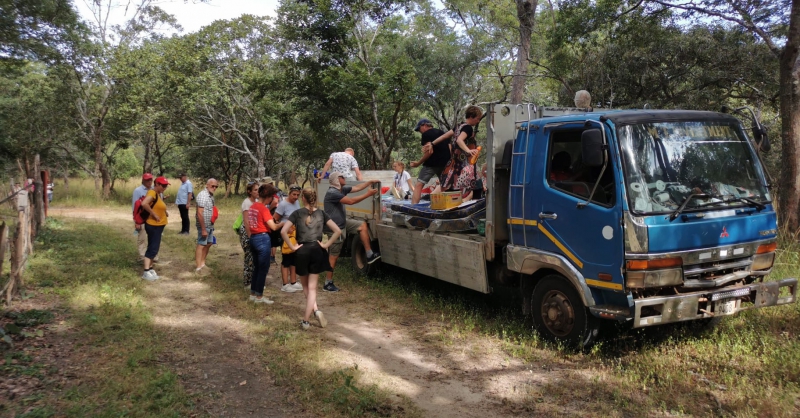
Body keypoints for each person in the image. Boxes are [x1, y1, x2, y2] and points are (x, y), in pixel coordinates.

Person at [282, 187, 342, 329]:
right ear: (315, 199)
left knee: (305, 286)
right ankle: (313, 312)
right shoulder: (322, 214)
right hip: (317, 250)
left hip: (302, 251)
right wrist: (326, 244)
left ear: (303, 198)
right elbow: (337, 231)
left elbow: (284, 231)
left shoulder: (297, 213)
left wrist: (292, 247)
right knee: (313, 288)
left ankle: (307, 319)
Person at [323, 172, 380, 292]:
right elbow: (351, 201)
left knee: (361, 225)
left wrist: (369, 182)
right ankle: (328, 283)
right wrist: (368, 194)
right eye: (342, 177)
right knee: (334, 256)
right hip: (335, 228)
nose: (345, 178)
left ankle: (369, 254)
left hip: (343, 223)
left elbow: (357, 188)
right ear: (337, 180)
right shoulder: (333, 193)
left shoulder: (341, 189)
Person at [428, 106, 483, 195]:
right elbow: (459, 140)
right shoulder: (468, 128)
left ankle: (436, 197)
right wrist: (468, 151)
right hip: (464, 164)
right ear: (471, 117)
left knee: (448, 185)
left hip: (454, 163)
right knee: (474, 186)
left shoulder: (458, 127)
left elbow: (444, 136)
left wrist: (432, 143)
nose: (478, 121)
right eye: (477, 119)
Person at [247, 184, 285, 304]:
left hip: (253, 238)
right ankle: (259, 297)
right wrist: (283, 223)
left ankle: (253, 293)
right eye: (272, 197)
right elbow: (273, 227)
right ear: (268, 197)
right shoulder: (263, 209)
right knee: (263, 268)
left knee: (257, 267)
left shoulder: (253, 206)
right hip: (263, 239)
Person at [411, 119, 450, 204]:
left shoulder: (426, 134)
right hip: (445, 164)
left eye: (419, 129)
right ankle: (447, 208)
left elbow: (429, 152)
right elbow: (450, 148)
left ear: (424, 125)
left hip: (431, 164)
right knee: (444, 187)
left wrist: (418, 163)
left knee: (419, 185)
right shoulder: (443, 133)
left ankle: (413, 208)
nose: (419, 132)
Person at [274, 184, 303, 293]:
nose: (296, 197)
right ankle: (285, 284)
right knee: (286, 259)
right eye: (294, 194)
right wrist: (285, 227)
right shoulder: (283, 204)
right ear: (289, 193)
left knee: (294, 258)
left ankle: (293, 281)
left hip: (295, 235)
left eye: (298, 195)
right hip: (285, 235)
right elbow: (275, 219)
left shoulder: (297, 203)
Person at [140, 177, 170, 281]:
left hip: (159, 225)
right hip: (153, 225)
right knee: (152, 248)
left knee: (155, 248)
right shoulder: (152, 193)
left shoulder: (157, 194)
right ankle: (146, 271)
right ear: (156, 184)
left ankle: (150, 268)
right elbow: (144, 204)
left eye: (166, 185)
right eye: (163, 185)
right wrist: (154, 214)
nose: (165, 187)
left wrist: (164, 212)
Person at [195, 178, 219, 275]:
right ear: (207, 185)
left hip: (210, 224)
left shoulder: (210, 196)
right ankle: (198, 268)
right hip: (203, 226)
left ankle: (202, 264)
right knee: (201, 244)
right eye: (212, 186)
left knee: (209, 243)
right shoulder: (203, 195)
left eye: (216, 186)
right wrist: (203, 229)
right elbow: (199, 213)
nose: (214, 188)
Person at [239, 181, 259, 289]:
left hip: (254, 230)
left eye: (258, 189)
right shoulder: (246, 203)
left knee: (254, 256)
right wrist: (250, 235)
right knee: (249, 256)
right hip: (247, 232)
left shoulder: (256, 201)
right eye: (255, 190)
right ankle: (247, 282)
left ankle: (254, 281)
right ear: (249, 192)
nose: (257, 192)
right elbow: (246, 221)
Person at [132, 173, 155, 261]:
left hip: (151, 217)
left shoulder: (154, 190)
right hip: (141, 217)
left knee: (153, 237)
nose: (149, 182)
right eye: (147, 180)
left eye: (150, 180)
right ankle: (142, 256)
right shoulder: (138, 191)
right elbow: (135, 207)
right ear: (143, 180)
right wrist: (136, 221)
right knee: (142, 237)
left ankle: (152, 256)